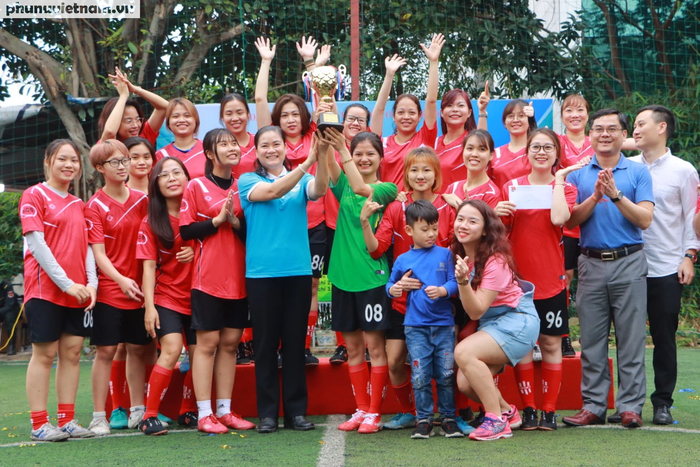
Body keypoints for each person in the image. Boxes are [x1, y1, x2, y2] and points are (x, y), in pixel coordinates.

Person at [561, 109, 654, 429]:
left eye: (612, 129)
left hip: (629, 262)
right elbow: (570, 221)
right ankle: (593, 406)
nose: (604, 134)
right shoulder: (577, 174)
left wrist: (615, 196)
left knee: (631, 339)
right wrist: (595, 196)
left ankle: (630, 407)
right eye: (598, 128)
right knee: (591, 340)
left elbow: (645, 219)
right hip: (590, 263)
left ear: (623, 134)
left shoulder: (638, 172)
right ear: (589, 135)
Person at [238, 125, 329, 433]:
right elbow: (274, 192)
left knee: (293, 343)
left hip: (297, 272)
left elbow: (320, 189)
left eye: (276, 144)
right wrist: (307, 162)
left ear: (285, 147)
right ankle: (267, 414)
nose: (271, 149)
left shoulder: (302, 180)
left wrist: (322, 156)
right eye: (264, 145)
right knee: (265, 345)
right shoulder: (247, 180)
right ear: (256, 151)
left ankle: (296, 412)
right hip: (261, 274)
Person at [359, 147, 454, 431]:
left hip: (444, 305)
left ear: (436, 174)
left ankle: (453, 415)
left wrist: (460, 204)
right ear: (406, 175)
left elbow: (458, 247)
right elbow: (377, 250)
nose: (420, 175)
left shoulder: (448, 205)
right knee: (395, 362)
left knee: (447, 366)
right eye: (414, 170)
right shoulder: (395, 207)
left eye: (427, 170)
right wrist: (364, 223)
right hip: (406, 307)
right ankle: (410, 412)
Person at [497, 128, 581, 430]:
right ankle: (529, 409)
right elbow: (500, 231)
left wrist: (557, 182)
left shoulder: (566, 188)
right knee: (522, 344)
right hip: (517, 283)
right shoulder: (511, 187)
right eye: (536, 147)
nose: (541, 152)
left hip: (551, 280)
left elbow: (561, 219)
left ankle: (549, 410)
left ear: (557, 153)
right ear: (527, 152)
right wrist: (496, 212)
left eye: (548, 147)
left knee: (550, 343)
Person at [254, 36, 331, 365]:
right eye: (283, 114)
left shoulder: (315, 136)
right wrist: (266, 61)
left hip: (315, 225)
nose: (289, 119)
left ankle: (303, 347)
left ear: (303, 116)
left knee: (313, 288)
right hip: (280, 230)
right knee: (280, 291)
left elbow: (323, 101)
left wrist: (312, 64)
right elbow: (259, 98)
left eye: (295, 113)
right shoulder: (273, 145)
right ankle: (278, 347)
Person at [20, 140, 97, 441]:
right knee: (45, 354)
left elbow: (87, 246)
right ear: (48, 161)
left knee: (73, 353)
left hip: (78, 291)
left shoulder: (79, 204)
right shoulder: (34, 194)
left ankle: (67, 420)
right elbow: (36, 243)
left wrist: (91, 284)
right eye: (62, 159)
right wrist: (67, 284)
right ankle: (39, 423)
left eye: (74, 160)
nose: (69, 165)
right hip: (46, 290)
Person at [323, 130, 397, 434]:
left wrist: (344, 150)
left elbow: (359, 186)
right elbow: (332, 167)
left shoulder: (387, 189)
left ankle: (375, 413)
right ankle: (361, 409)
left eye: (370, 154)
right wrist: (325, 139)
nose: (364, 159)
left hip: (371, 279)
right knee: (353, 349)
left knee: (375, 349)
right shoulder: (342, 185)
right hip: (342, 277)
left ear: (381, 157)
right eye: (358, 154)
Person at [179, 128, 253, 434]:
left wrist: (234, 222)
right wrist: (216, 221)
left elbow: (252, 233)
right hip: (207, 279)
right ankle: (204, 413)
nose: (232, 147)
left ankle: (224, 410)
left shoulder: (244, 186)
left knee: (230, 344)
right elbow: (186, 231)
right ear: (210, 154)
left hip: (239, 279)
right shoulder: (195, 186)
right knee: (207, 345)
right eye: (224, 144)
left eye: (234, 143)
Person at [628, 105, 698, 425]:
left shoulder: (684, 170)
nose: (635, 129)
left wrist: (689, 255)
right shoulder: (626, 166)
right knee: (627, 339)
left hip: (667, 266)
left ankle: (662, 403)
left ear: (661, 128)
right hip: (627, 266)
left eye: (641, 123)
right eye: (634, 124)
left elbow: (691, 216)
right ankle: (628, 404)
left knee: (664, 337)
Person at [452, 200, 540, 441]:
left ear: (485, 230)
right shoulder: (458, 253)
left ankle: (495, 421)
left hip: (517, 320)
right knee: (465, 383)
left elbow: (476, 311)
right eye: (460, 219)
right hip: (492, 324)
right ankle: (507, 412)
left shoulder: (495, 261)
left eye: (472, 221)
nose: (464, 225)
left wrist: (462, 282)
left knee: (464, 352)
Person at [85, 140, 150, 436]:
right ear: (100, 168)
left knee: (137, 349)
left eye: (125, 160)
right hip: (111, 290)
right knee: (106, 350)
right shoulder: (94, 206)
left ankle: (138, 410)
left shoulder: (142, 200)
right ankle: (99, 416)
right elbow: (98, 254)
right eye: (115, 162)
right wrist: (121, 280)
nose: (123, 166)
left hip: (141, 290)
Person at [386, 200, 461, 439]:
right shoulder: (403, 259)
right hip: (415, 327)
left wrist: (443, 291)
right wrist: (396, 288)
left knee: (446, 374)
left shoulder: (446, 254)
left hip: (444, 326)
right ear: (409, 230)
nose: (431, 234)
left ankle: (448, 418)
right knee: (420, 375)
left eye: (434, 228)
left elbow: (455, 282)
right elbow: (390, 286)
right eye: (425, 229)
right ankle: (424, 420)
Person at [137, 157, 198, 435]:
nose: (172, 178)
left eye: (177, 172)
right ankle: (149, 416)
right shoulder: (150, 222)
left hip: (199, 295)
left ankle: (188, 411)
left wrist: (196, 252)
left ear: (188, 178)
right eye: (164, 175)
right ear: (156, 185)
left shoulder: (199, 215)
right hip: (167, 297)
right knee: (172, 349)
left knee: (200, 354)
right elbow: (148, 268)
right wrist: (149, 307)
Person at [381, 34, 444, 189]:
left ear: (419, 116)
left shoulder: (425, 138)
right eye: (401, 112)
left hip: (419, 202)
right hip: (389, 203)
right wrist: (389, 75)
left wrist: (433, 62)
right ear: (393, 116)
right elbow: (379, 108)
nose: (406, 117)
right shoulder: (382, 143)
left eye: (411, 112)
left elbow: (431, 101)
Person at [434, 85, 490, 189]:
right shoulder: (435, 143)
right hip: (436, 199)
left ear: (469, 113)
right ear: (441, 112)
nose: (455, 109)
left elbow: (481, 141)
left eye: (460, 105)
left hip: (463, 198)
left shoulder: (469, 142)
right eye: (449, 105)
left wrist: (482, 111)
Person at [98, 67, 168, 145]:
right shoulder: (105, 145)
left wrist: (135, 89)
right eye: (129, 121)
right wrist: (123, 96)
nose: (135, 125)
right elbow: (110, 132)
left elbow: (165, 107)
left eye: (138, 119)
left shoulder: (143, 136)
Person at [442, 130, 502, 210]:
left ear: (491, 155)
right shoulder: (452, 188)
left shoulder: (491, 194)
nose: (474, 154)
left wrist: (463, 208)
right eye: (470, 148)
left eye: (482, 149)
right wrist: (443, 196)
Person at [490, 99, 537, 191]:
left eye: (521, 115)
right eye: (511, 116)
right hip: (502, 200)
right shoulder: (495, 154)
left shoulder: (537, 151)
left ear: (529, 121)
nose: (515, 120)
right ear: (504, 123)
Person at [155, 98, 205, 179]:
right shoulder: (160, 155)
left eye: (187, 115)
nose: (181, 120)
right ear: (168, 123)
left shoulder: (209, 149)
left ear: (196, 120)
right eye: (175, 116)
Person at [0, 278, 20, 356]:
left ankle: (12, 346)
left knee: (9, 319)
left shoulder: (7, 286)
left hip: (11, 309)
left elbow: (10, 304)